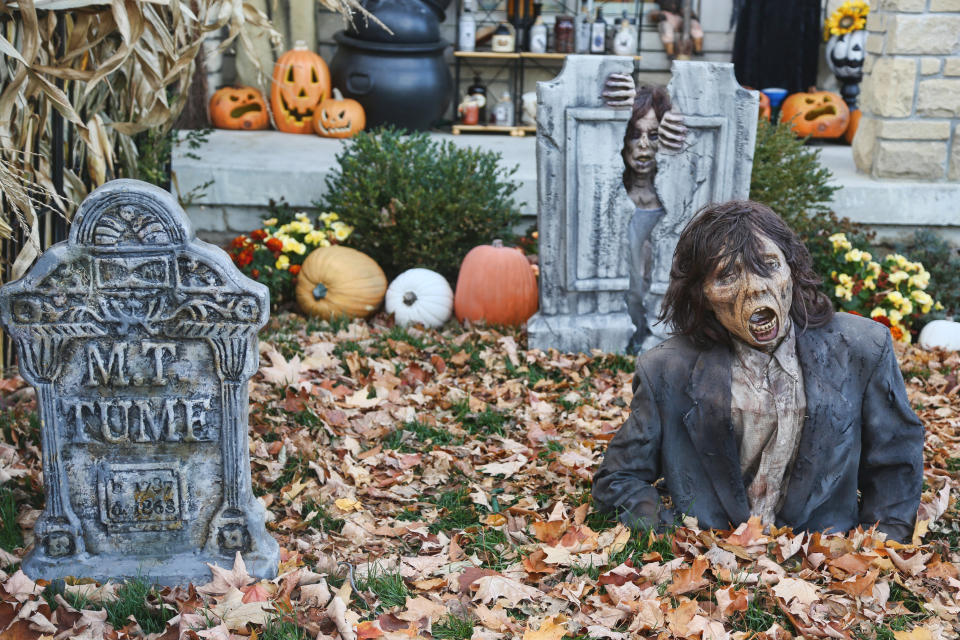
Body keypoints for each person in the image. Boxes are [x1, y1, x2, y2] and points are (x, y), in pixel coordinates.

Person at [592, 200, 924, 542]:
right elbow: (617, 479)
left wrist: (878, 545)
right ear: (701, 295)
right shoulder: (665, 370)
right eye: (726, 276)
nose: (754, 288)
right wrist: (672, 535)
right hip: (716, 565)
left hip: (821, 557)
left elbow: (896, 458)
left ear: (791, 270)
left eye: (768, 265)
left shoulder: (862, 347)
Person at [602, 74, 684, 353]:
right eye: (635, 134)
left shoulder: (674, 202)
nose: (644, 145)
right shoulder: (612, 198)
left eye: (654, 135)